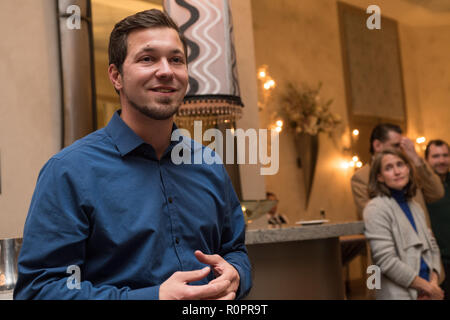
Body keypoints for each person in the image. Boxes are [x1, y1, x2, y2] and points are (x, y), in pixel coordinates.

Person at [14, 9, 251, 300]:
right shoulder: (68, 172)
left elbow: (234, 250)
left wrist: (236, 274)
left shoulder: (209, 164)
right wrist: (154, 298)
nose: (166, 71)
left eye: (176, 59)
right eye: (147, 59)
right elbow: (40, 291)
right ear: (116, 76)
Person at [363, 149, 443, 300]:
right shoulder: (375, 208)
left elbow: (432, 247)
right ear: (380, 177)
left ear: (408, 168)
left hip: (428, 292)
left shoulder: (415, 206)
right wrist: (426, 287)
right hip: (399, 293)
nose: (397, 171)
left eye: (400, 164)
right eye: (388, 168)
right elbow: (386, 261)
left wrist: (433, 284)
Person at [351, 123, 444, 222]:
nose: (401, 150)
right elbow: (372, 217)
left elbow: (437, 193)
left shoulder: (409, 167)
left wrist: (416, 159)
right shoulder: (361, 177)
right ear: (377, 145)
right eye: (396, 145)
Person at [425, 139, 450, 300]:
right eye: (435, 156)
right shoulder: (421, 187)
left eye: (445, 155)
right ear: (426, 160)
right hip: (436, 262)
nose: (441, 160)